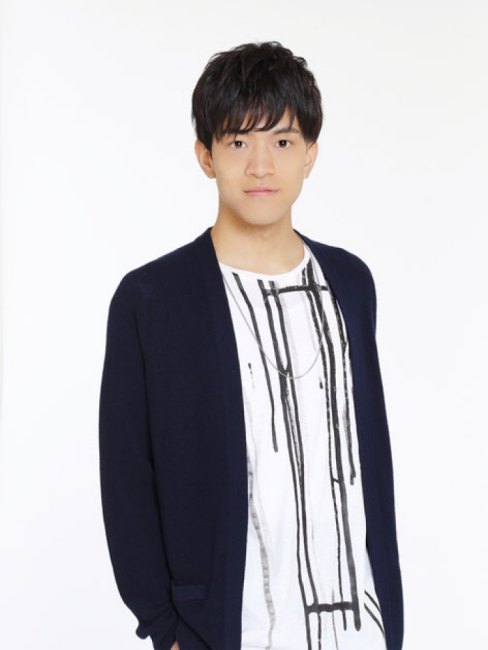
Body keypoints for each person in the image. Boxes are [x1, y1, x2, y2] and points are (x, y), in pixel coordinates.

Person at [98, 41, 404, 650]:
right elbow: (127, 476)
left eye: (282, 142)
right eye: (238, 142)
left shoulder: (350, 283)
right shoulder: (152, 298)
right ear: (205, 156)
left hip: (359, 629)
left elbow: (368, 456)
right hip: (227, 631)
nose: (261, 166)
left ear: (311, 154)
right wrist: (166, 627)